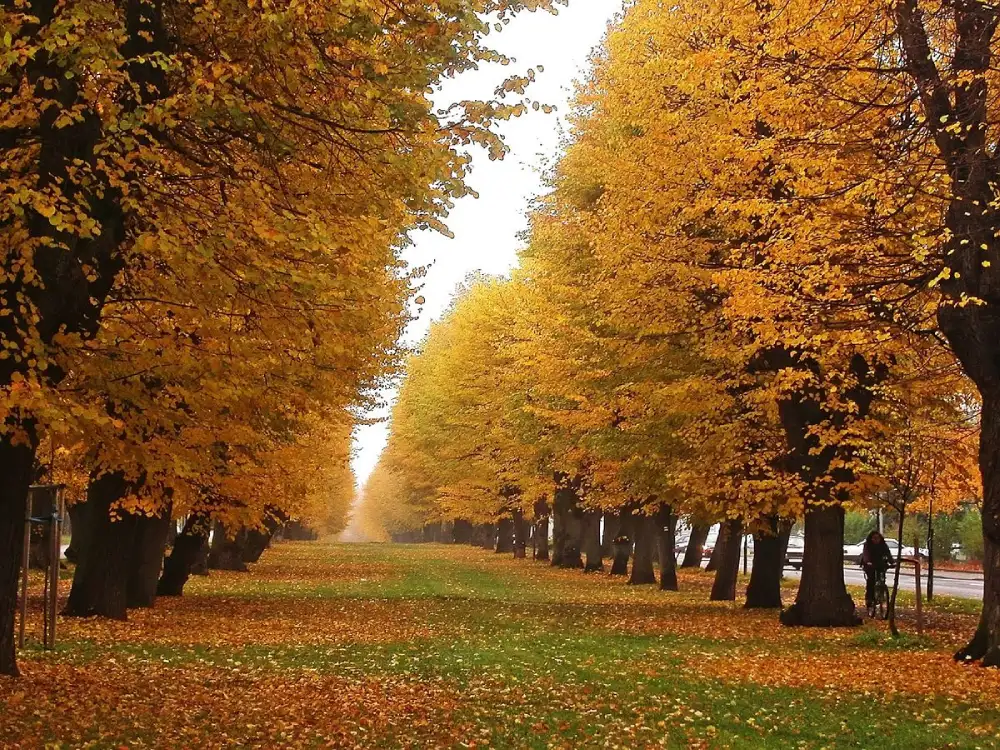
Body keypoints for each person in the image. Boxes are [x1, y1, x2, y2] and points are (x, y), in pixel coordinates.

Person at [859, 530, 893, 616]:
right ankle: (869, 599)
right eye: (874, 538)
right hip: (870, 564)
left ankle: (881, 591)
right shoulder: (868, 545)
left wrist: (891, 562)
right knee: (871, 580)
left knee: (881, 577)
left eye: (877, 538)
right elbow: (866, 554)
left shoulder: (883, 545)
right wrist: (867, 562)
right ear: (871, 539)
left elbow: (887, 553)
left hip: (880, 563)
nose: (876, 540)